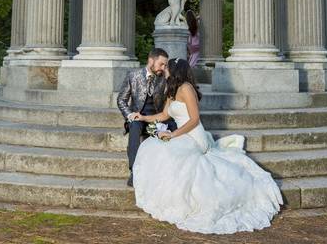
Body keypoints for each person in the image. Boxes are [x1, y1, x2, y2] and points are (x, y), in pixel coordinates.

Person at [129, 58, 282, 234]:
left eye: (167, 67)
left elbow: (194, 120)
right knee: (152, 146)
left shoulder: (186, 88)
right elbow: (164, 115)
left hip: (194, 136)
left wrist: (172, 135)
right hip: (182, 134)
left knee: (168, 151)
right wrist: (142, 117)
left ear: (175, 70)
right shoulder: (172, 89)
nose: (165, 70)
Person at [116, 48, 177, 187]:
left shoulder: (164, 78)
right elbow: (121, 100)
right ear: (151, 61)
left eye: (165, 65)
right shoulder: (133, 75)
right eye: (161, 64)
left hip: (157, 118)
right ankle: (134, 171)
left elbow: (171, 99)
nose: (163, 68)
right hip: (137, 117)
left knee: (172, 128)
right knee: (135, 127)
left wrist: (168, 78)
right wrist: (130, 115)